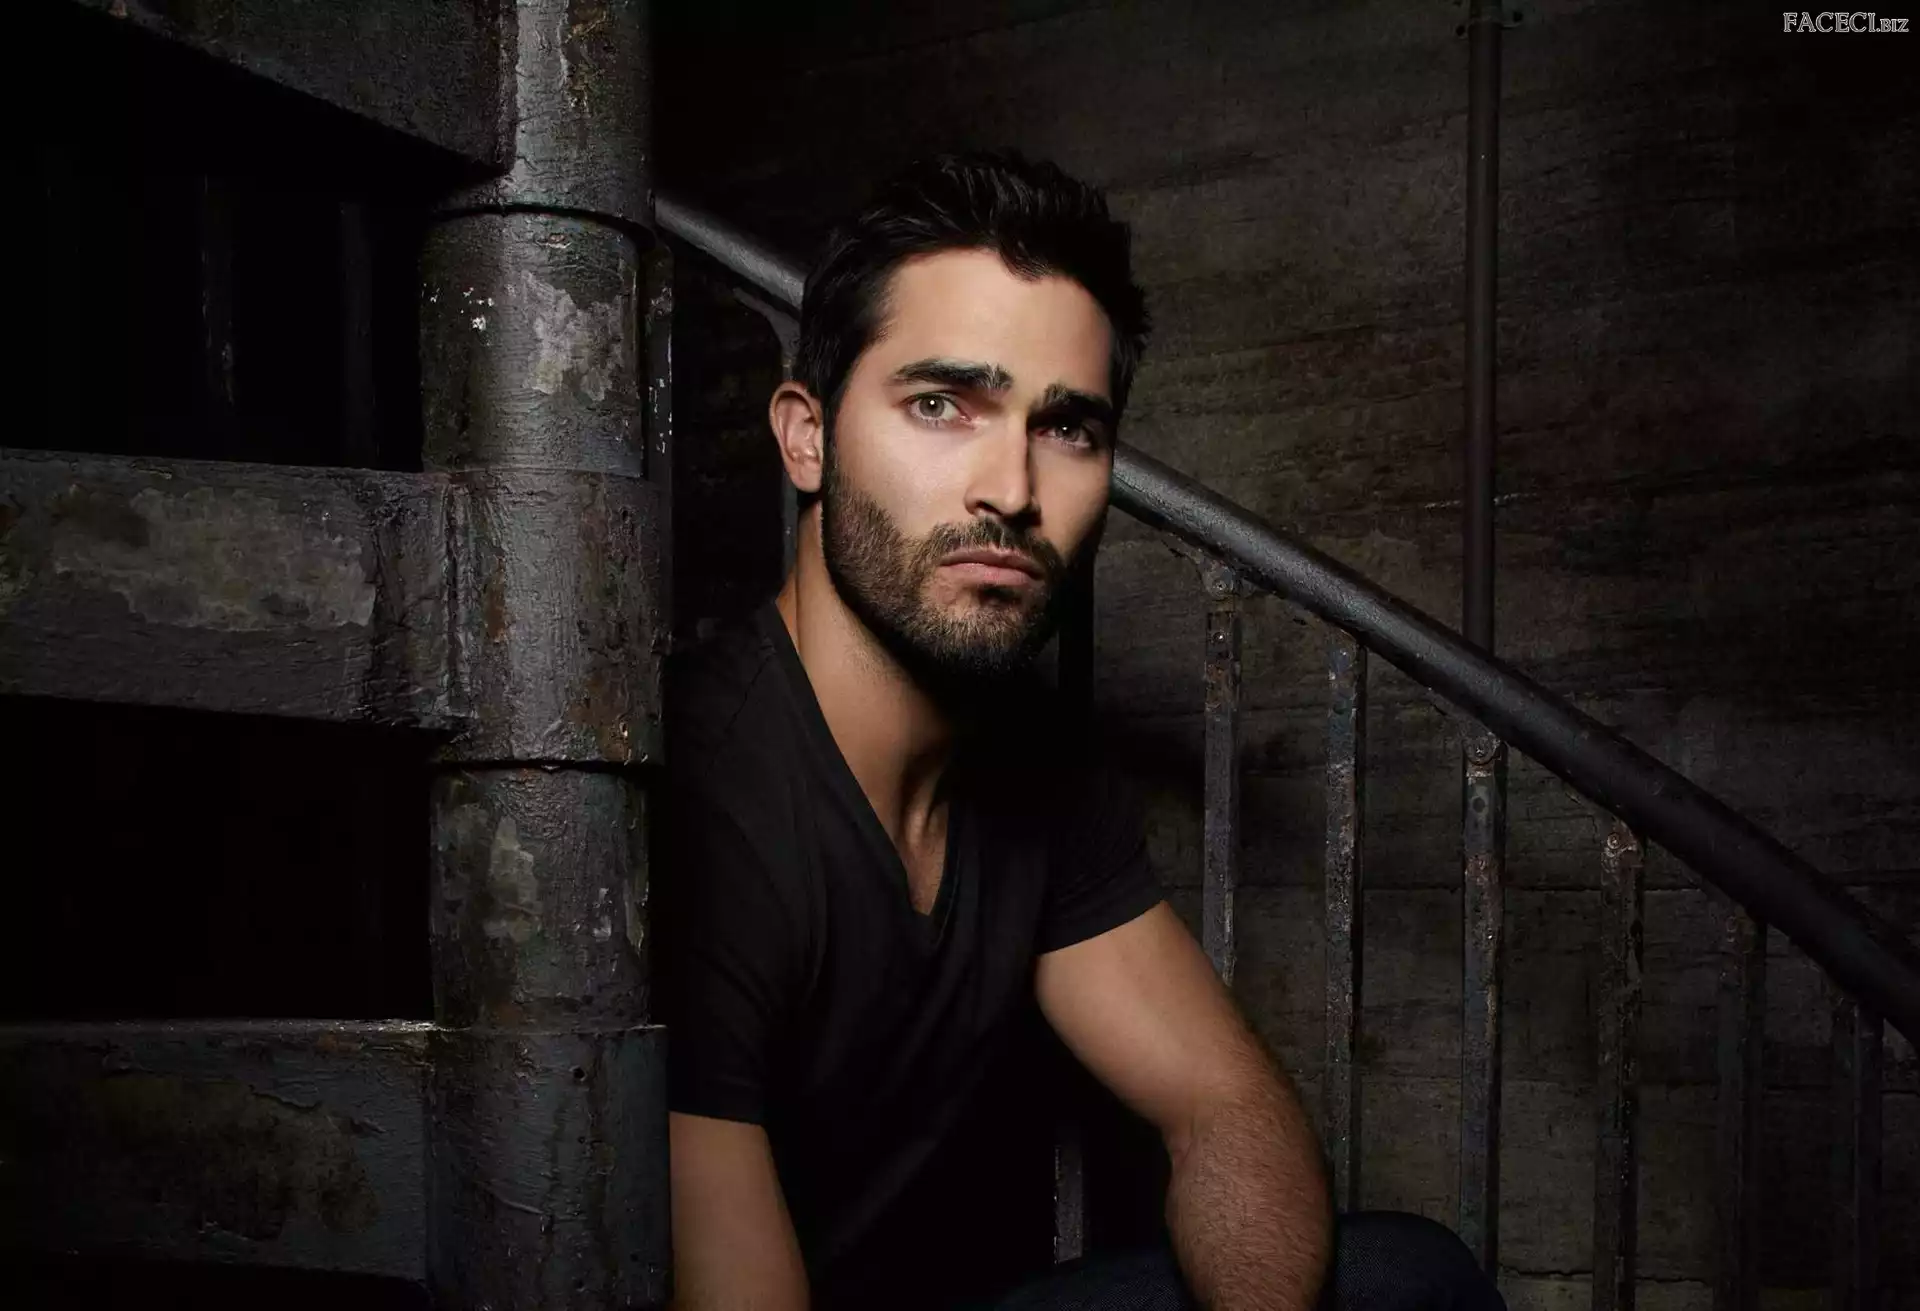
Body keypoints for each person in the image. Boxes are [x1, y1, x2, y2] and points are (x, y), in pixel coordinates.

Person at [659, 152, 1503, 1311]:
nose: (1011, 489)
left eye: (1065, 427)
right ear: (808, 438)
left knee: (1413, 1278)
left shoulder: (1026, 764)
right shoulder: (696, 796)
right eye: (940, 404)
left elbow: (1224, 1108)